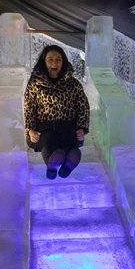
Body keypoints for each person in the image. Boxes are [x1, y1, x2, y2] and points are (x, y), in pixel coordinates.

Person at [24, 44, 90, 179]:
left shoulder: (73, 84)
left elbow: (83, 106)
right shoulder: (34, 84)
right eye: (50, 59)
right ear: (44, 62)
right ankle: (52, 164)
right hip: (45, 127)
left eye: (58, 59)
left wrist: (82, 128)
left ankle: (69, 162)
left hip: (67, 126)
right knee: (48, 143)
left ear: (63, 61)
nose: (54, 62)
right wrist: (30, 130)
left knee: (70, 141)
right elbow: (29, 107)